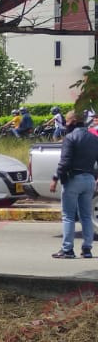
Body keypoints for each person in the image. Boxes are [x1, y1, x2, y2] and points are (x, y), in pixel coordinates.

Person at [50, 111, 98, 259]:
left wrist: (55, 178)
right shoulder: (94, 138)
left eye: (67, 121)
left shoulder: (70, 138)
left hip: (73, 179)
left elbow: (64, 162)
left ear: (74, 121)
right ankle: (87, 249)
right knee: (85, 216)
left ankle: (67, 250)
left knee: (68, 216)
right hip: (89, 179)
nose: (65, 124)